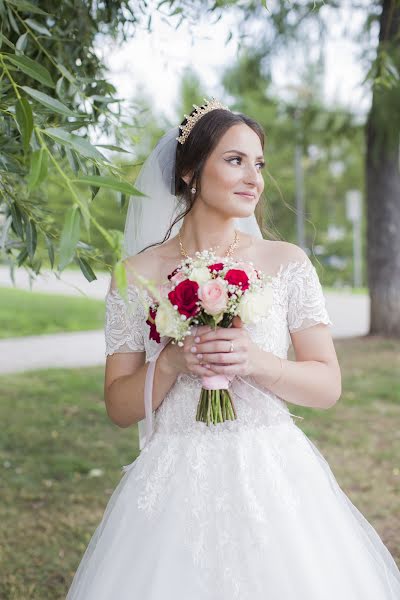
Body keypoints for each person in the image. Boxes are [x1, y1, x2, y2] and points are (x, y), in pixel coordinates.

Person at [66, 99, 400, 599]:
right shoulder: (134, 277)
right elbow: (118, 407)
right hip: (173, 481)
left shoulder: (286, 263)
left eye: (258, 163)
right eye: (235, 160)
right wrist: (174, 361)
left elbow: (327, 385)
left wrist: (257, 362)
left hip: (272, 474)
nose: (254, 178)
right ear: (189, 172)